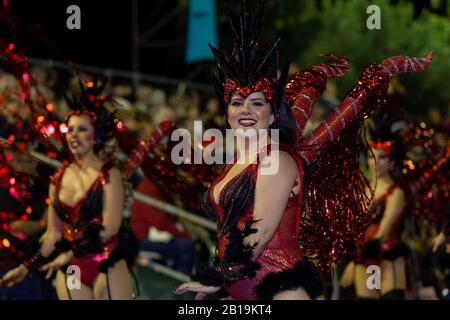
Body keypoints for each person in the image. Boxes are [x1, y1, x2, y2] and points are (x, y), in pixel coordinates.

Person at [174, 0, 432, 300]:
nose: (246, 110)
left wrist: (217, 278)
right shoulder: (235, 161)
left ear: (272, 115)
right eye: (236, 102)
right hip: (240, 290)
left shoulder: (278, 161)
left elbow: (257, 236)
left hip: (280, 290)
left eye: (257, 102)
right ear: (227, 113)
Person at [0, 78, 133, 300]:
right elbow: (53, 234)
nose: (74, 135)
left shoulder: (109, 174)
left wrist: (71, 252)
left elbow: (109, 229)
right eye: (70, 129)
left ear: (96, 136)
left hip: (106, 260)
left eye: (82, 129)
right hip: (72, 268)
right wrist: (26, 267)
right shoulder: (58, 178)